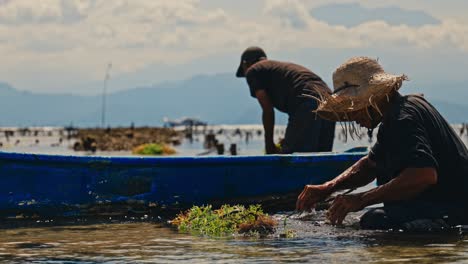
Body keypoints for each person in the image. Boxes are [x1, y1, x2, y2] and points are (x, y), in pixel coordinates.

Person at [296, 57, 468, 230]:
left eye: (355, 107)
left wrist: (362, 199)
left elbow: (423, 176)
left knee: (375, 220)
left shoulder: (403, 118)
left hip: (454, 211)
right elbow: (371, 164)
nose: (354, 117)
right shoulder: (399, 113)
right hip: (445, 205)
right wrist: (328, 187)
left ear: (373, 98)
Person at [236, 47, 335, 154]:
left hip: (307, 102)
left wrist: (269, 145)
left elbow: (268, 110)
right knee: (322, 157)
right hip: (330, 102)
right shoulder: (276, 68)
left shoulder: (253, 71)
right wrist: (291, 138)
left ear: (245, 64)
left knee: (295, 160)